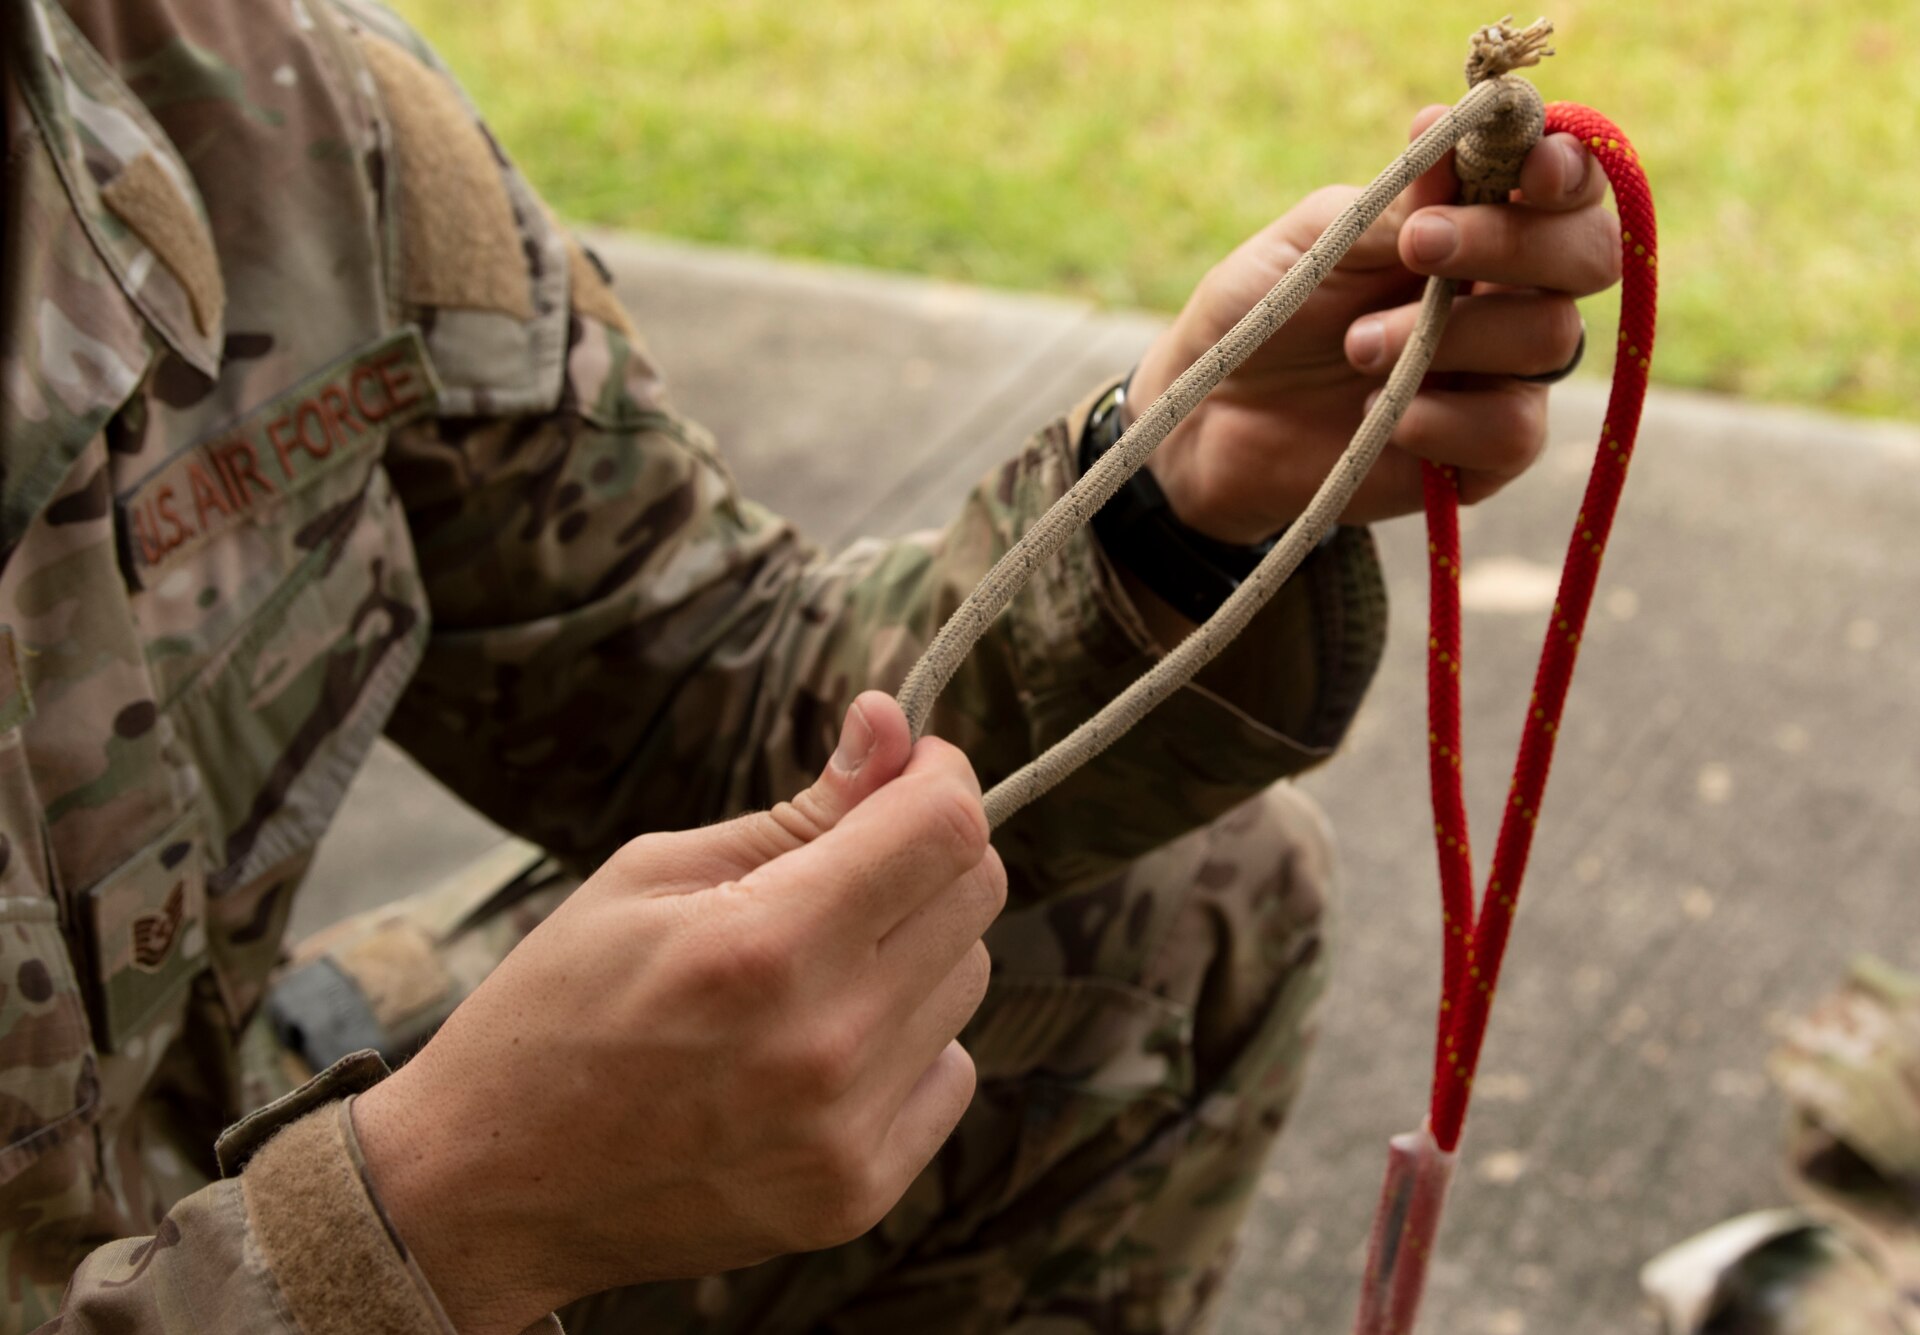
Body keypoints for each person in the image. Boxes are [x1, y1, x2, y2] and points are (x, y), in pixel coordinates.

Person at [0, 1, 1619, 1331]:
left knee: (1144, 912)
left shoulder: (250, 99)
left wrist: (1178, 491)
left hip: (199, 1155)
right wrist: (423, 1228)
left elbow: (712, 692)